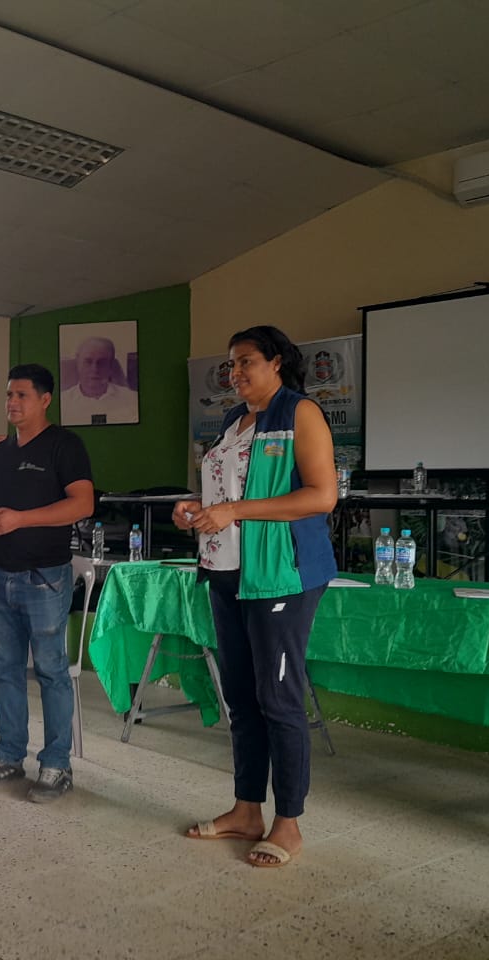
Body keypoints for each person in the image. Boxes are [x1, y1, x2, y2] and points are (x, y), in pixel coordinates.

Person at [172, 325, 337, 868]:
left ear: (276, 362)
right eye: (231, 364)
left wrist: (234, 512)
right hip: (226, 573)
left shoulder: (299, 413)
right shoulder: (232, 421)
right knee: (241, 697)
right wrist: (196, 507)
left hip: (280, 576)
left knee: (278, 699)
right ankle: (246, 810)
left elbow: (322, 496)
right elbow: (229, 491)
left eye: (246, 361)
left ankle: (288, 824)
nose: (235, 372)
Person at [0, 363, 94, 802]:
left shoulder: (65, 446)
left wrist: (21, 519)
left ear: (45, 400)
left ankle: (56, 765)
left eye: (21, 395)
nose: (12, 402)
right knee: (5, 670)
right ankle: (8, 754)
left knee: (53, 672)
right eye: (8, 395)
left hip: (45, 578)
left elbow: (82, 504)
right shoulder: (0, 452)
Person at [59, 336, 138, 425]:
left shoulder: (133, 399)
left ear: (111, 365)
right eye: (88, 361)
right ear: (78, 362)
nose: (95, 369)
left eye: (102, 362)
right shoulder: (62, 403)